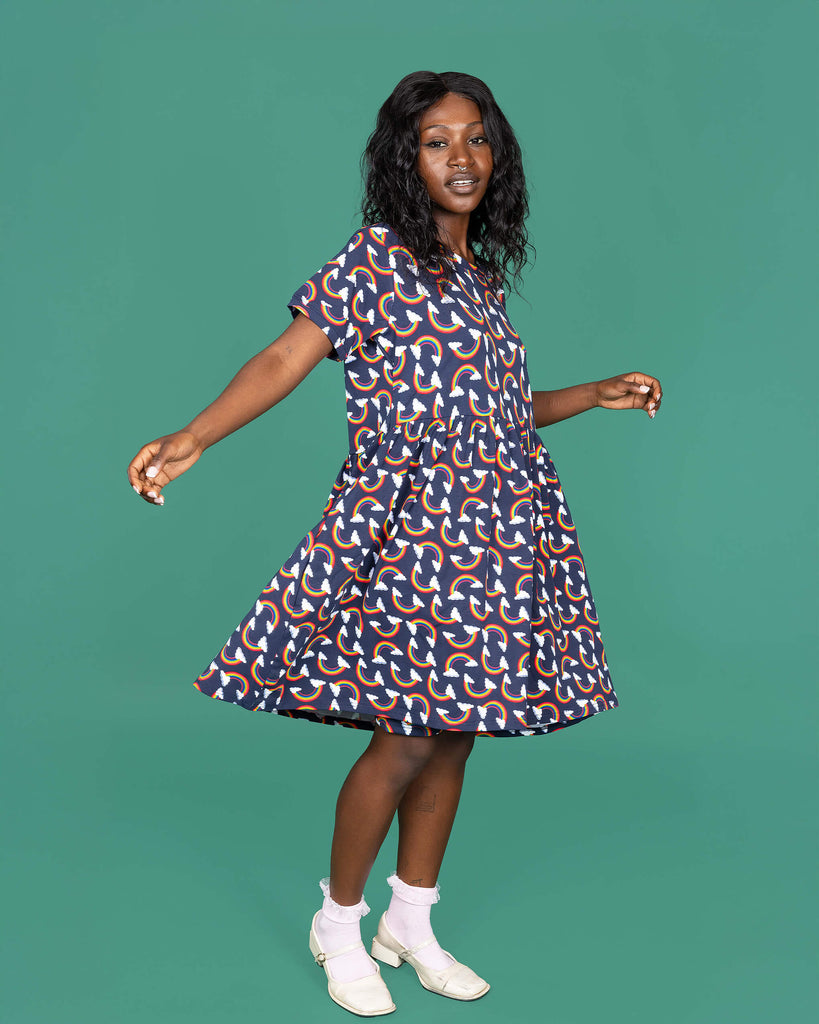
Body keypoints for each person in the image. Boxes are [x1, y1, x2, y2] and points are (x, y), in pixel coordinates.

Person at [127, 70, 662, 1017]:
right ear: (403, 162)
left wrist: (591, 394)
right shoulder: (374, 258)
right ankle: (338, 920)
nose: (461, 157)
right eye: (435, 142)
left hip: (496, 533)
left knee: (457, 735)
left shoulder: (481, 279)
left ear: (498, 156)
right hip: (415, 535)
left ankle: (409, 921)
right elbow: (287, 355)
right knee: (406, 735)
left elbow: (490, 414)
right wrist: (195, 435)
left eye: (476, 138)